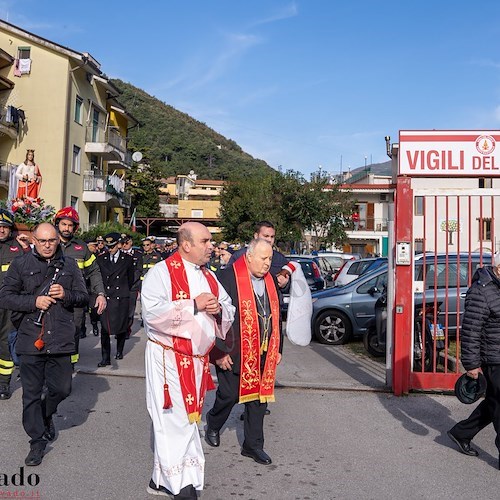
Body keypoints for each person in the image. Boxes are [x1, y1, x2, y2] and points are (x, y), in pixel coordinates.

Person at [141, 222, 235, 499]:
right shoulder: (161, 273)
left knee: (187, 420)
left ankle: (161, 480)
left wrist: (218, 309)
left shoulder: (208, 275)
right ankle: (180, 485)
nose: (211, 247)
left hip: (195, 360)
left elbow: (227, 305)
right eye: (205, 241)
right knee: (173, 419)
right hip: (167, 356)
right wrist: (193, 304)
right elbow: (152, 314)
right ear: (186, 244)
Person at [0, 222, 88, 466]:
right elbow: (5, 297)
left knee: (62, 389)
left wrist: (66, 295)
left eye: (52, 240)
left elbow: (83, 297)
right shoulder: (20, 264)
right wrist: (33, 302)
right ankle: (36, 442)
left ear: (57, 240)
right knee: (30, 393)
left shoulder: (69, 265)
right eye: (43, 241)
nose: (48, 245)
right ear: (34, 241)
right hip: (31, 338)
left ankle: (45, 413)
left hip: (60, 338)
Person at [205, 239, 283, 466]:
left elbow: (277, 316)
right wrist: (217, 352)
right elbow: (214, 318)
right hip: (233, 351)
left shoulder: (270, 281)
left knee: (259, 400)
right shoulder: (228, 278)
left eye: (270, 258)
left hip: (263, 351)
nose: (268, 263)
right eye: (263, 258)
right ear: (249, 257)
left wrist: (278, 348)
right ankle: (214, 422)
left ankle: (253, 445)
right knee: (229, 396)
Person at [448, 253, 500, 465]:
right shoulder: (482, 291)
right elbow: (470, 331)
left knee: (494, 403)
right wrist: (471, 365)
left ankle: (461, 433)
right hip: (493, 359)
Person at [54, 207, 106, 361]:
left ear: (75, 228)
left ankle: (69, 367)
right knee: (51, 333)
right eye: (64, 224)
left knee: (74, 332)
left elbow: (94, 271)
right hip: (52, 298)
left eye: (70, 225)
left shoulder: (82, 248)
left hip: (75, 300)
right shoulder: (49, 243)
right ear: (57, 224)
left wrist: (101, 294)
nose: (67, 228)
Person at [0, 209, 30, 399]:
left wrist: (27, 248)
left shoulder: (18, 247)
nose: (1, 230)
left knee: (5, 343)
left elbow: (31, 269)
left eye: (5, 227)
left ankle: (3, 383)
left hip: (9, 304)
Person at [96, 233, 135, 366]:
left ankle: (119, 351)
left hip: (121, 297)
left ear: (119, 244)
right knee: (105, 328)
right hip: (107, 297)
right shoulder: (101, 258)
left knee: (121, 326)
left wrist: (124, 291)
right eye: (108, 246)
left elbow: (130, 278)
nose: (110, 249)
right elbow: (98, 277)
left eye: (112, 246)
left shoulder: (128, 259)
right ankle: (105, 357)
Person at [228, 221, 290, 288]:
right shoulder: (240, 256)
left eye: (272, 237)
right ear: (256, 236)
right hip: (244, 296)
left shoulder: (280, 259)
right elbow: (227, 278)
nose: (269, 240)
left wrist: (285, 285)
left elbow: (292, 287)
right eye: (266, 236)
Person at [119, 233, 143, 338]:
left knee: (129, 310)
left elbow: (138, 270)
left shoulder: (137, 254)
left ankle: (126, 330)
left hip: (132, 286)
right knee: (119, 309)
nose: (124, 245)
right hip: (119, 286)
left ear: (131, 242)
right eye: (122, 243)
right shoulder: (118, 254)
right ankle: (120, 329)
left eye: (126, 243)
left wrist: (130, 281)